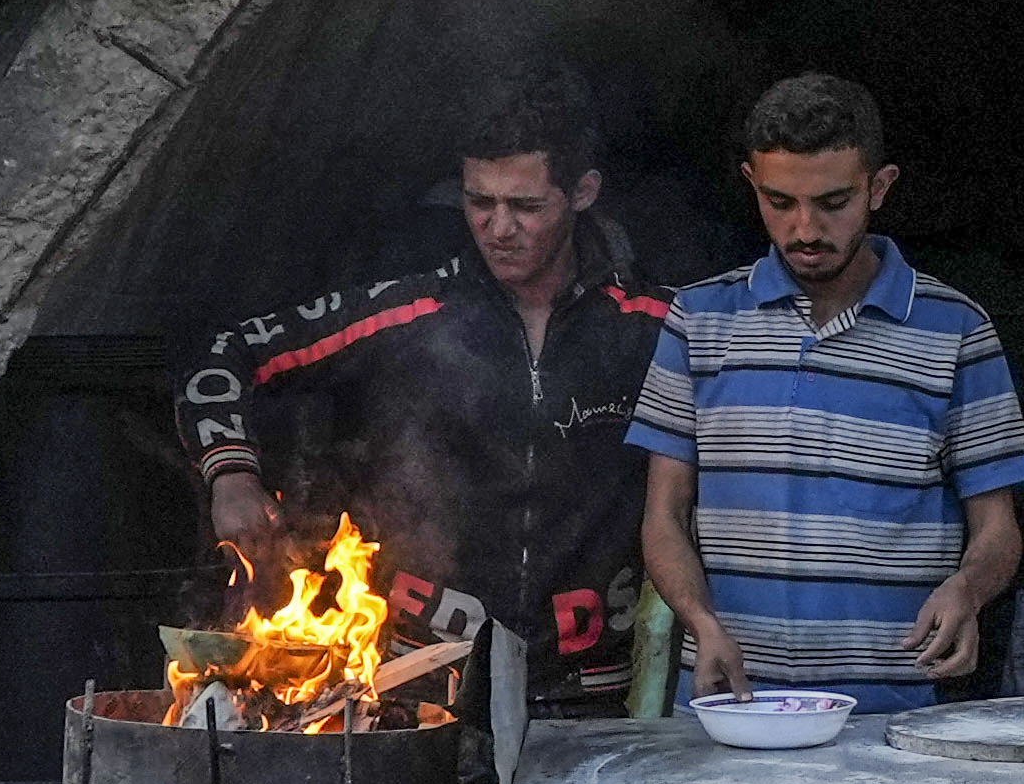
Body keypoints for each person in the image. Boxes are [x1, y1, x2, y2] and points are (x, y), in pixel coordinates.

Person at [179, 87, 669, 693]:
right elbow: (224, 352)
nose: (499, 228)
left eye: (526, 205)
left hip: (591, 684)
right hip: (421, 679)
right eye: (480, 202)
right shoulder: (409, 313)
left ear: (583, 193)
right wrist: (232, 474)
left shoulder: (655, 326)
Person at [631, 71, 1024, 704]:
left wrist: (968, 589)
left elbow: (997, 527)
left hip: (894, 708)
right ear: (751, 185)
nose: (805, 230)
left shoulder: (958, 330)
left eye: (833, 202)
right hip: (730, 706)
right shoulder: (697, 320)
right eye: (780, 202)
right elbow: (664, 515)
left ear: (880, 188)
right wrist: (700, 620)